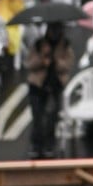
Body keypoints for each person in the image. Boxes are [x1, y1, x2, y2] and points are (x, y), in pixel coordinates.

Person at [25, 21, 75, 158]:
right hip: (38, 85)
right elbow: (29, 63)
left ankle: (49, 145)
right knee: (38, 116)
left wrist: (56, 61)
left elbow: (68, 65)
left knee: (52, 117)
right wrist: (42, 60)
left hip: (56, 85)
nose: (54, 33)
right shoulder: (38, 44)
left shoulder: (65, 45)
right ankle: (36, 145)